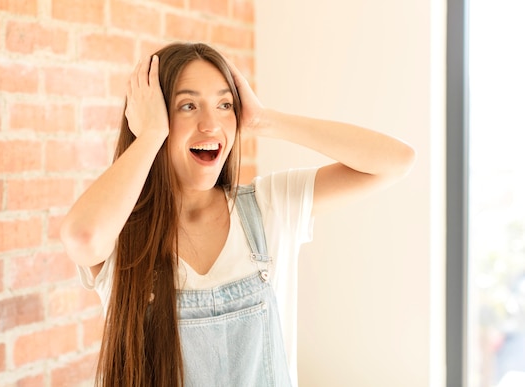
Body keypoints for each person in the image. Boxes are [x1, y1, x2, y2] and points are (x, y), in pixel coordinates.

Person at [60, 42, 416, 387]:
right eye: (188, 106)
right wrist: (151, 135)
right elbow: (82, 237)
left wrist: (264, 121)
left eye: (225, 105)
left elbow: (395, 161)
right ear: (155, 115)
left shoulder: (269, 206)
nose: (211, 124)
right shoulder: (121, 232)